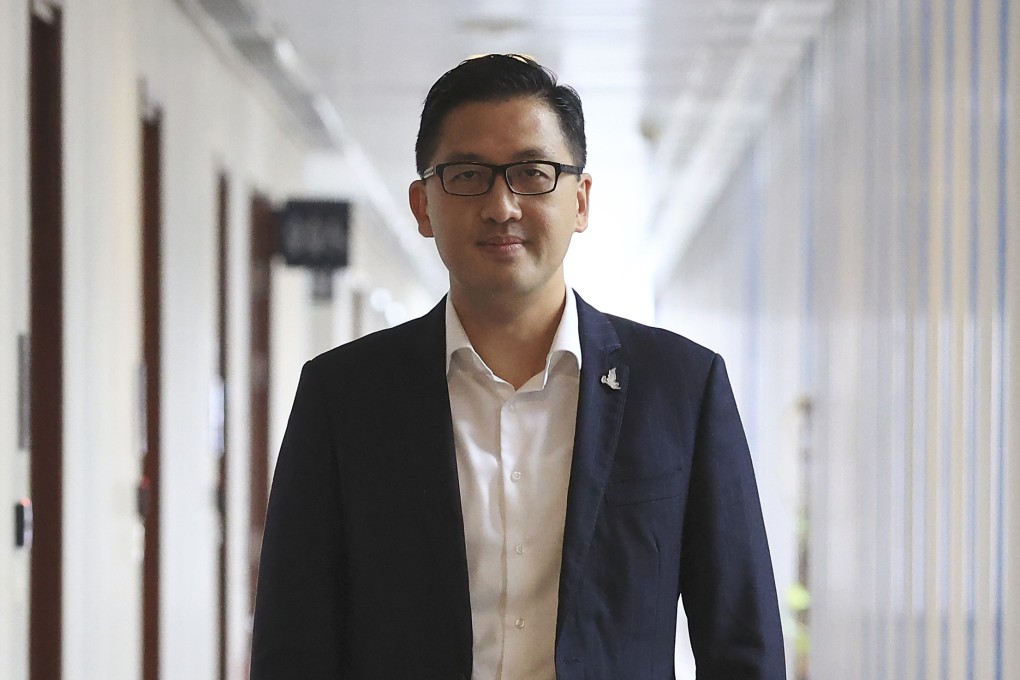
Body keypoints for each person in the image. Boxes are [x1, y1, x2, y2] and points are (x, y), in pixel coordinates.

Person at [251, 54, 786, 679]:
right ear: (423, 206)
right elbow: (293, 643)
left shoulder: (681, 388)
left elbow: (741, 639)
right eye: (467, 175)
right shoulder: (345, 396)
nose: (502, 205)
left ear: (580, 200)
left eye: (533, 173)